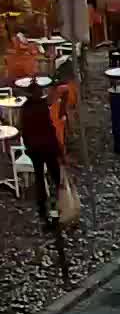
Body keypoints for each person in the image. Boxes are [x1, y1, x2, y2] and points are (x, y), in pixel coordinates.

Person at [18, 82, 63, 222]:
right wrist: (59, 149)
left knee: (39, 176)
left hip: (34, 148)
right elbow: (50, 129)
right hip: (47, 147)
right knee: (56, 175)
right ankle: (60, 202)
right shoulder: (43, 107)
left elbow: (24, 130)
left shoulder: (25, 108)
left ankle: (42, 206)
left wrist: (27, 146)